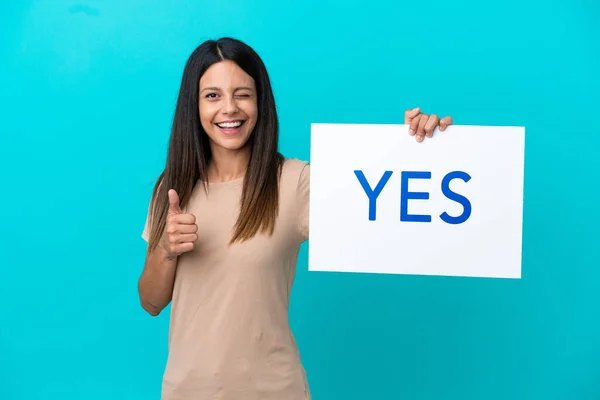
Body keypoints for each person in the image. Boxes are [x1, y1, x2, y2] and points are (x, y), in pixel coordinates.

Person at [137, 37, 453, 400]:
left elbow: (385, 209)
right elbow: (151, 302)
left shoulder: (295, 181)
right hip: (185, 391)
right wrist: (165, 248)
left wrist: (421, 148)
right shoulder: (171, 188)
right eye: (212, 95)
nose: (229, 108)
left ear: (260, 102)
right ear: (193, 105)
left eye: (243, 94)